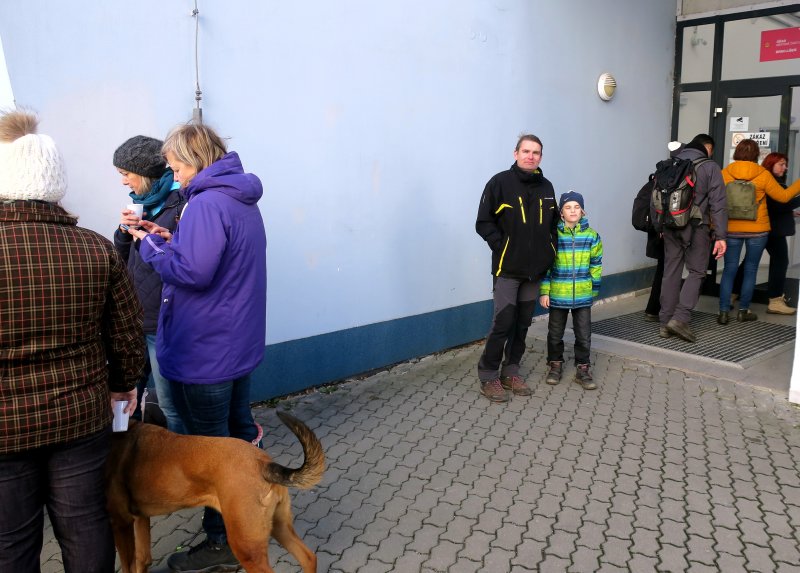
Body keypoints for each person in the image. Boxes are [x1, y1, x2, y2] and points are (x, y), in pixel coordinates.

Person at [0, 109, 144, 572]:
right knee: (85, 525)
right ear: (55, 183)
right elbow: (126, 334)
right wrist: (123, 385)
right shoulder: (96, 248)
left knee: (11, 541)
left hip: (5, 426)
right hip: (79, 417)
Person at [128, 120, 266, 572]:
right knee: (239, 436)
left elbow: (193, 273)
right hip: (235, 343)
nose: (174, 174)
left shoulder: (206, 203)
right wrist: (174, 238)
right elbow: (215, 258)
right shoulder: (237, 197)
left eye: (175, 166)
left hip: (207, 348)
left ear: (194, 160)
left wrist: (150, 245)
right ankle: (254, 514)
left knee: (212, 452)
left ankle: (223, 541)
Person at [475, 134, 558, 402]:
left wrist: (549, 251)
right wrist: (502, 247)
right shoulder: (499, 183)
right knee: (503, 322)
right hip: (508, 269)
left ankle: (510, 372)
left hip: (534, 272)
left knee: (522, 324)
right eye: (526, 151)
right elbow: (483, 222)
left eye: (536, 152)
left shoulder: (547, 187)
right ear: (516, 153)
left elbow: (553, 226)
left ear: (541, 157)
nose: (531, 156)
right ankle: (488, 375)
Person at [113, 135, 186, 433]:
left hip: (161, 322)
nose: (124, 182)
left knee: (170, 403)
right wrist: (123, 231)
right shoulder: (140, 204)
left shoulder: (181, 204)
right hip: (134, 319)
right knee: (123, 399)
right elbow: (121, 259)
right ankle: (125, 452)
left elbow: (186, 261)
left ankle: (182, 454)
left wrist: (157, 238)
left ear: (144, 173)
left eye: (126, 174)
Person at [717, 141, 800, 324]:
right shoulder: (763, 174)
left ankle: (723, 312)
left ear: (737, 153)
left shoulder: (725, 173)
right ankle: (743, 311)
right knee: (751, 270)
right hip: (757, 230)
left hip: (731, 229)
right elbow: (784, 197)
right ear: (756, 155)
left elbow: (715, 201)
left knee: (729, 269)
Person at [658, 134, 727, 343]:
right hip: (697, 227)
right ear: (708, 148)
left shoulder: (671, 163)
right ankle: (680, 318)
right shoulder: (710, 167)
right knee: (697, 271)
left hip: (670, 226)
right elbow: (718, 204)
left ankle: (665, 321)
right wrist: (721, 236)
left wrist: (659, 225)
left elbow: (657, 198)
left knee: (671, 270)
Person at [539, 191, 603, 389]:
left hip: (583, 294)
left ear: (582, 211)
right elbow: (546, 266)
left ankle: (583, 368)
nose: (573, 211)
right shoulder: (554, 236)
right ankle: (555, 364)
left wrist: (593, 289)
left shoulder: (592, 236)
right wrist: (545, 291)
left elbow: (596, 264)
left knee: (583, 334)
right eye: (568, 207)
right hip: (558, 295)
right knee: (555, 333)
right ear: (561, 212)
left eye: (577, 207)